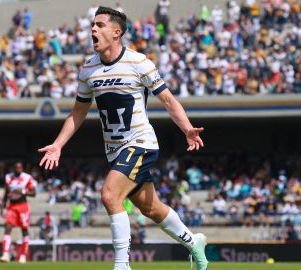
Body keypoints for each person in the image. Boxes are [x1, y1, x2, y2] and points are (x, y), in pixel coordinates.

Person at [38, 6, 208, 270]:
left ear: (116, 33)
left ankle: (121, 265)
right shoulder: (88, 70)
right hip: (115, 151)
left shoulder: (139, 62)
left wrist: (186, 128)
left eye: (100, 25)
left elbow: (167, 99)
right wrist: (58, 145)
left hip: (141, 143)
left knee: (109, 195)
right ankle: (193, 241)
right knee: (151, 208)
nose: (93, 29)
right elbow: (78, 113)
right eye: (92, 25)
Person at [0, 162, 36, 264]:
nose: (18, 169)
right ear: (14, 168)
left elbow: (33, 193)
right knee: (7, 227)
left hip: (23, 206)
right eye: (16, 167)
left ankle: (23, 255)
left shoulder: (27, 177)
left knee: (24, 230)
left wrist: (23, 192)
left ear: (22, 168)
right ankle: (5, 254)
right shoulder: (8, 177)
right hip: (12, 206)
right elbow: (6, 192)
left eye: (20, 167)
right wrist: (2, 206)